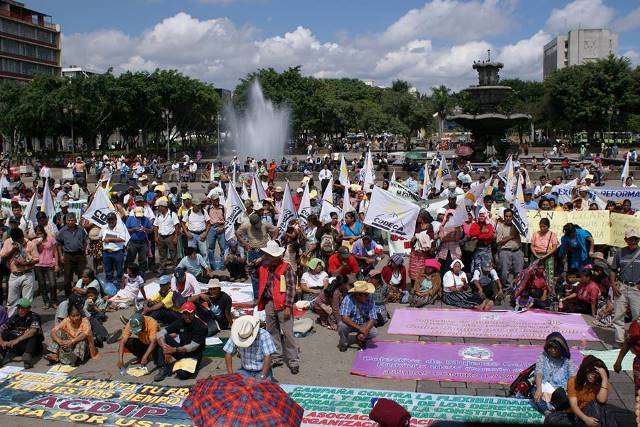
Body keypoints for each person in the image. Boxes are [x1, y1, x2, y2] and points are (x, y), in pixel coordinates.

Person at [256, 240, 299, 374]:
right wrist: (260, 259)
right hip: (269, 302)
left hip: (282, 304)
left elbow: (291, 288)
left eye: (269, 255)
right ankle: (276, 357)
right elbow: (249, 269)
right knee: (272, 331)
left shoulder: (286, 268)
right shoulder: (264, 266)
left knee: (287, 333)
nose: (268, 257)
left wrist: (288, 307)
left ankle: (293, 361)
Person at [153, 301, 208, 381]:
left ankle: (188, 366)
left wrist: (174, 350)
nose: (186, 316)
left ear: (194, 313)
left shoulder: (201, 326)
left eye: (189, 313)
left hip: (194, 355)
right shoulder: (181, 321)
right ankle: (164, 367)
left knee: (182, 375)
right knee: (163, 338)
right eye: (184, 314)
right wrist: (165, 348)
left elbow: (192, 346)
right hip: (181, 351)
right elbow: (160, 333)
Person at [236, 213, 278, 299]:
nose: (258, 225)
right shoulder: (247, 226)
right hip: (253, 251)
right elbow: (237, 233)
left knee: (265, 273)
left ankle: (267, 295)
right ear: (252, 224)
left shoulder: (265, 224)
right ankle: (257, 297)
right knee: (254, 275)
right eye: (256, 225)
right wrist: (245, 243)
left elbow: (276, 230)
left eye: (259, 223)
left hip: (264, 251)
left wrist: (272, 241)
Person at [532, 332, 576, 414]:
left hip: (559, 390)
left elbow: (573, 376)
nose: (553, 350)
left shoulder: (567, 361)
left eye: (556, 348)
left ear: (561, 348)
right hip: (544, 387)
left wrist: (567, 390)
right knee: (534, 391)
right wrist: (539, 388)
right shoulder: (543, 356)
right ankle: (546, 411)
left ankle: (557, 409)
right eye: (550, 347)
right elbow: (539, 372)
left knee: (564, 398)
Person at [223, 315, 277, 381]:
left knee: (262, 388)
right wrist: (230, 373)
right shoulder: (238, 333)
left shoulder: (264, 335)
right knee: (236, 386)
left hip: (261, 370)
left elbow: (268, 355)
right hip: (245, 370)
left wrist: (263, 375)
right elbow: (228, 352)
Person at [610, 229, 640, 347]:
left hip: (636, 288)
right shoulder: (619, 253)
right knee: (618, 316)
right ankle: (619, 342)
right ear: (625, 240)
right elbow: (613, 270)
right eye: (630, 239)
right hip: (621, 287)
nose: (632, 241)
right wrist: (613, 285)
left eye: (635, 239)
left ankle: (636, 339)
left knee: (637, 316)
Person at [0, 228, 38, 316]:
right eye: (15, 240)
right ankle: (10, 321)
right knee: (11, 301)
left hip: (27, 274)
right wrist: (13, 250)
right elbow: (3, 256)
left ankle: (26, 321)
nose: (17, 242)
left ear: (22, 237)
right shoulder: (8, 242)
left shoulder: (30, 244)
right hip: (14, 275)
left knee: (27, 300)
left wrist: (25, 263)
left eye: (19, 240)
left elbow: (36, 259)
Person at [0, 298, 43, 369]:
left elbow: (33, 330)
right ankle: (1, 356)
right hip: (19, 347)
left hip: (34, 347)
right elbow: (1, 329)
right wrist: (1, 341)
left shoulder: (34, 316)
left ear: (29, 308)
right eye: (19, 308)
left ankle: (27, 357)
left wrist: (17, 340)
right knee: (4, 334)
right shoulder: (14, 317)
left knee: (34, 335)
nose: (20, 310)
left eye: (23, 308)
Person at [338, 281, 377, 352]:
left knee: (373, 332)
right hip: (351, 323)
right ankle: (344, 343)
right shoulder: (348, 299)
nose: (368, 296)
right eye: (365, 295)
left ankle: (360, 338)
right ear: (357, 295)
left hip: (363, 323)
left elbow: (373, 317)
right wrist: (360, 329)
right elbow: (344, 317)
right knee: (341, 326)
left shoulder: (370, 298)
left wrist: (365, 331)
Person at [56, 214, 88, 297]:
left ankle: (81, 293)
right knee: (67, 276)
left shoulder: (81, 229)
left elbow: (85, 241)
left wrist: (85, 251)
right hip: (68, 255)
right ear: (66, 221)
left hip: (79, 255)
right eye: (68, 220)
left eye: (72, 220)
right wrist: (61, 256)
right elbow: (59, 244)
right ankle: (68, 295)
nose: (70, 222)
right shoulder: (62, 231)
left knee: (82, 274)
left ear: (75, 220)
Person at [494, 209, 523, 290]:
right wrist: (511, 236)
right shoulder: (500, 227)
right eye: (506, 216)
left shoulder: (517, 226)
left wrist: (514, 234)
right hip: (505, 251)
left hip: (517, 251)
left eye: (510, 216)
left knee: (519, 271)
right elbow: (499, 242)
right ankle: (507, 288)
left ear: (512, 217)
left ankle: (517, 289)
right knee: (504, 273)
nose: (508, 218)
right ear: (504, 217)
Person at [33, 224, 59, 309]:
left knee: (53, 284)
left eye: (40, 233)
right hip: (38, 265)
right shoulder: (34, 241)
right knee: (42, 285)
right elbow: (34, 252)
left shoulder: (51, 239)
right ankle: (46, 302)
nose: (39, 235)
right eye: (37, 233)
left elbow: (55, 252)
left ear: (44, 232)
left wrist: (57, 264)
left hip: (50, 264)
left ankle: (54, 301)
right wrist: (37, 244)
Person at [154, 198, 181, 273]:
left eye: (158, 207)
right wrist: (156, 237)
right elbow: (155, 226)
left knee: (173, 253)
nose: (157, 208)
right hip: (161, 237)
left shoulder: (172, 214)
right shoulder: (158, 215)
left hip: (170, 236)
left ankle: (176, 269)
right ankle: (162, 269)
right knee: (162, 254)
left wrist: (175, 237)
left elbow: (177, 226)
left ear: (163, 207)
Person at [101, 212, 128, 288]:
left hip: (117, 252)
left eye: (112, 219)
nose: (110, 221)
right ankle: (110, 288)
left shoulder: (121, 227)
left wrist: (110, 239)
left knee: (119, 271)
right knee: (108, 271)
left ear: (116, 220)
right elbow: (101, 237)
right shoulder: (104, 227)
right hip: (107, 252)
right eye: (109, 220)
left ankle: (119, 286)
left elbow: (123, 239)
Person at [530, 218, 559, 288]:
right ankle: (534, 287)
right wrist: (535, 254)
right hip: (536, 255)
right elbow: (532, 246)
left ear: (548, 226)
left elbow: (554, 247)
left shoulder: (552, 235)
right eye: (541, 226)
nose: (542, 228)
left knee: (549, 273)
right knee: (534, 272)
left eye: (544, 226)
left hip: (548, 256)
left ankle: (548, 289)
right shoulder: (535, 234)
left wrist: (546, 255)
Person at [125, 206, 153, 273]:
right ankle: (128, 273)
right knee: (130, 258)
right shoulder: (130, 219)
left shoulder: (146, 219)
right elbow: (125, 230)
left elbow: (151, 230)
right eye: (138, 216)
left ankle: (142, 274)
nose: (139, 217)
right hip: (133, 242)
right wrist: (133, 229)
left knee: (143, 259)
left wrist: (145, 229)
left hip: (143, 242)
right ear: (134, 213)